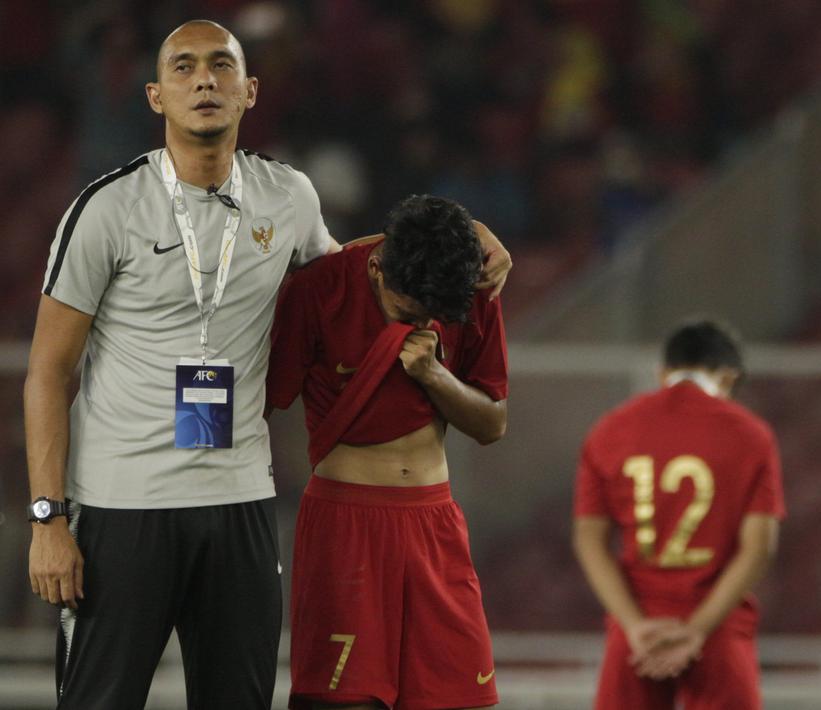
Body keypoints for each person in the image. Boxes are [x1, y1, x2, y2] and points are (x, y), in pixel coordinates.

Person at [24, 20, 510, 709]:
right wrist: (49, 520)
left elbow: (361, 270)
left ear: (249, 90)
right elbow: (47, 371)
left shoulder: (288, 197)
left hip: (238, 502)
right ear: (156, 95)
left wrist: (464, 233)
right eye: (184, 67)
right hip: (124, 505)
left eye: (221, 65)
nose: (204, 80)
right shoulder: (107, 210)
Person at [266, 194, 507, 710]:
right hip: (344, 524)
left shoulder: (471, 285)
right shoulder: (319, 289)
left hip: (434, 523)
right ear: (376, 267)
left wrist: (433, 374)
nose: (419, 325)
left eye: (432, 316)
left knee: (462, 699)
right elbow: (260, 403)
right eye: (407, 311)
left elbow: (492, 424)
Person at [572, 320, 785, 710]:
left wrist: (634, 625)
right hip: (719, 624)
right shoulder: (751, 435)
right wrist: (696, 630)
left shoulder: (610, 429)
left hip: (638, 626)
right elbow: (759, 549)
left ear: (662, 373)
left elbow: (590, 540)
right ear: (727, 378)